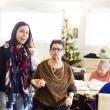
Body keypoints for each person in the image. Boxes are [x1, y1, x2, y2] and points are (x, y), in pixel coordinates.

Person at [31, 39, 76, 110]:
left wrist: (70, 97)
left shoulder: (67, 68)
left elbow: (72, 87)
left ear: (63, 52)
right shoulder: (42, 66)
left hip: (61, 105)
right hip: (41, 104)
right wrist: (36, 82)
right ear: (50, 51)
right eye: (53, 49)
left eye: (59, 49)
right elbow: (33, 81)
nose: (56, 51)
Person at [0, 21, 34, 110]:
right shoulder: (3, 50)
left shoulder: (27, 53)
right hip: (5, 92)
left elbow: (30, 72)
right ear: (15, 31)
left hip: (22, 92)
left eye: (27, 33)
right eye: (22, 31)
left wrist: (32, 81)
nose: (25, 35)